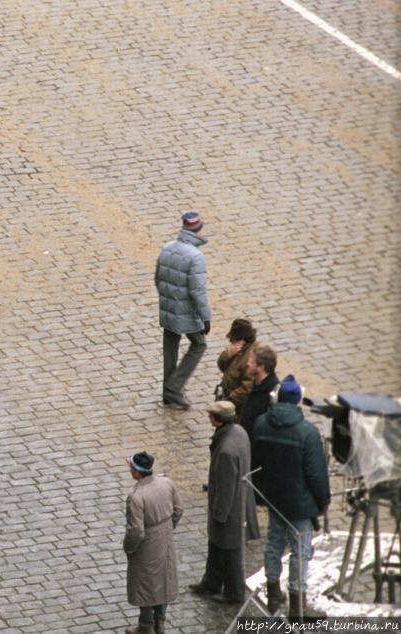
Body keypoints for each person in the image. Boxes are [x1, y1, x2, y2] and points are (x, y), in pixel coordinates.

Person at [252, 375, 331, 617]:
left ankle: (274, 592)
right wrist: (323, 501)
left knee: (274, 543)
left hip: (274, 497)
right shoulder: (307, 432)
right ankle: (298, 606)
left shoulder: (261, 423)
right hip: (299, 503)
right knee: (301, 551)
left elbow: (256, 462)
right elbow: (316, 473)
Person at [188, 401, 259, 605]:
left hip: (230, 509)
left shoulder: (226, 450)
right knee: (217, 545)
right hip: (238, 500)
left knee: (229, 548)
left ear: (218, 420)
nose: (208, 417)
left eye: (211, 415)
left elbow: (226, 486)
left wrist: (219, 514)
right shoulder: (238, 431)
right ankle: (211, 582)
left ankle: (234, 592)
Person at [155, 212, 211, 410]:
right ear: (198, 229)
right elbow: (197, 290)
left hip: (168, 306)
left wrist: (167, 299)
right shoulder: (196, 256)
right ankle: (174, 387)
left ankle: (167, 392)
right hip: (186, 310)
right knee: (199, 344)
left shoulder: (167, 248)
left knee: (170, 349)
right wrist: (205, 317)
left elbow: (158, 278)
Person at [123, 452, 183, 634]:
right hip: (165, 539)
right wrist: (167, 528)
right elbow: (178, 509)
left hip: (147, 545)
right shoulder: (166, 483)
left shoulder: (136, 496)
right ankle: (160, 621)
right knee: (163, 580)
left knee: (146, 584)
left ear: (136, 471)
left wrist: (128, 547)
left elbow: (136, 531)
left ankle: (146, 625)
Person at [216, 319, 258, 419]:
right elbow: (222, 367)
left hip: (238, 410)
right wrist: (228, 354)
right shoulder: (237, 350)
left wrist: (229, 401)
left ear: (242, 340)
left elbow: (248, 386)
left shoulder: (251, 357)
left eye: (233, 339)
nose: (230, 341)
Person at [239, 345, 279, 441]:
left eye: (252, 362)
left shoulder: (272, 394)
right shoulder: (257, 384)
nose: (247, 363)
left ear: (261, 367)